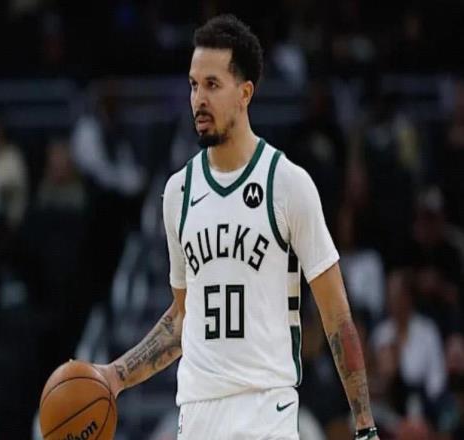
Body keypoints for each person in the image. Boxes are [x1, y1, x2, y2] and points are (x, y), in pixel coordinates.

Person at [96, 14, 379, 440]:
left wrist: (365, 425)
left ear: (245, 93)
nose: (198, 99)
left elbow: (337, 317)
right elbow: (183, 317)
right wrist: (116, 375)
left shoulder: (287, 183)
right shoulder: (178, 193)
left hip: (266, 409)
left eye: (212, 85)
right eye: (193, 85)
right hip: (198, 414)